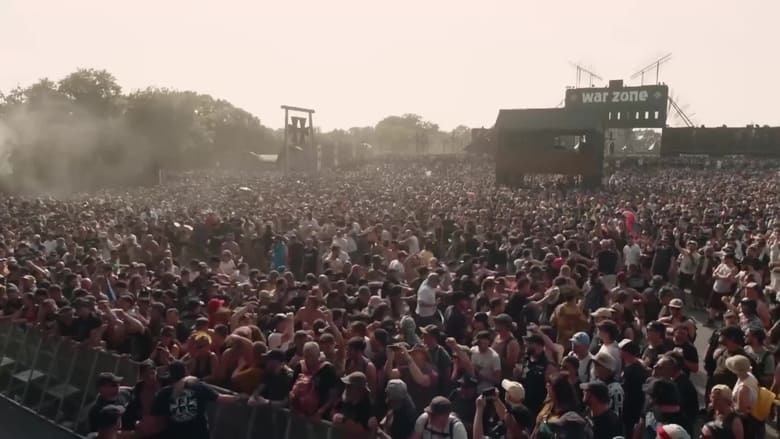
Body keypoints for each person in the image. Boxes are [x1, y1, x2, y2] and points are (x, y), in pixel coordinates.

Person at [139, 360, 243, 439]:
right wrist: (240, 397)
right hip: (200, 434)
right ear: (186, 372)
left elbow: (153, 420)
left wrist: (138, 425)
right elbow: (222, 398)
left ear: (170, 375)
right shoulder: (198, 387)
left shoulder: (163, 394)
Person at [332, 371, 377, 436]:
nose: (346, 389)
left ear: (360, 390)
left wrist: (344, 421)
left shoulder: (367, 408)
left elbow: (363, 431)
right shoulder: (346, 400)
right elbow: (333, 413)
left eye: (349, 387)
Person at [619, 339, 648, 436]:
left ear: (626, 352)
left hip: (631, 411)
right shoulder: (629, 366)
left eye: (621, 350)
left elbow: (634, 394)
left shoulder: (635, 371)